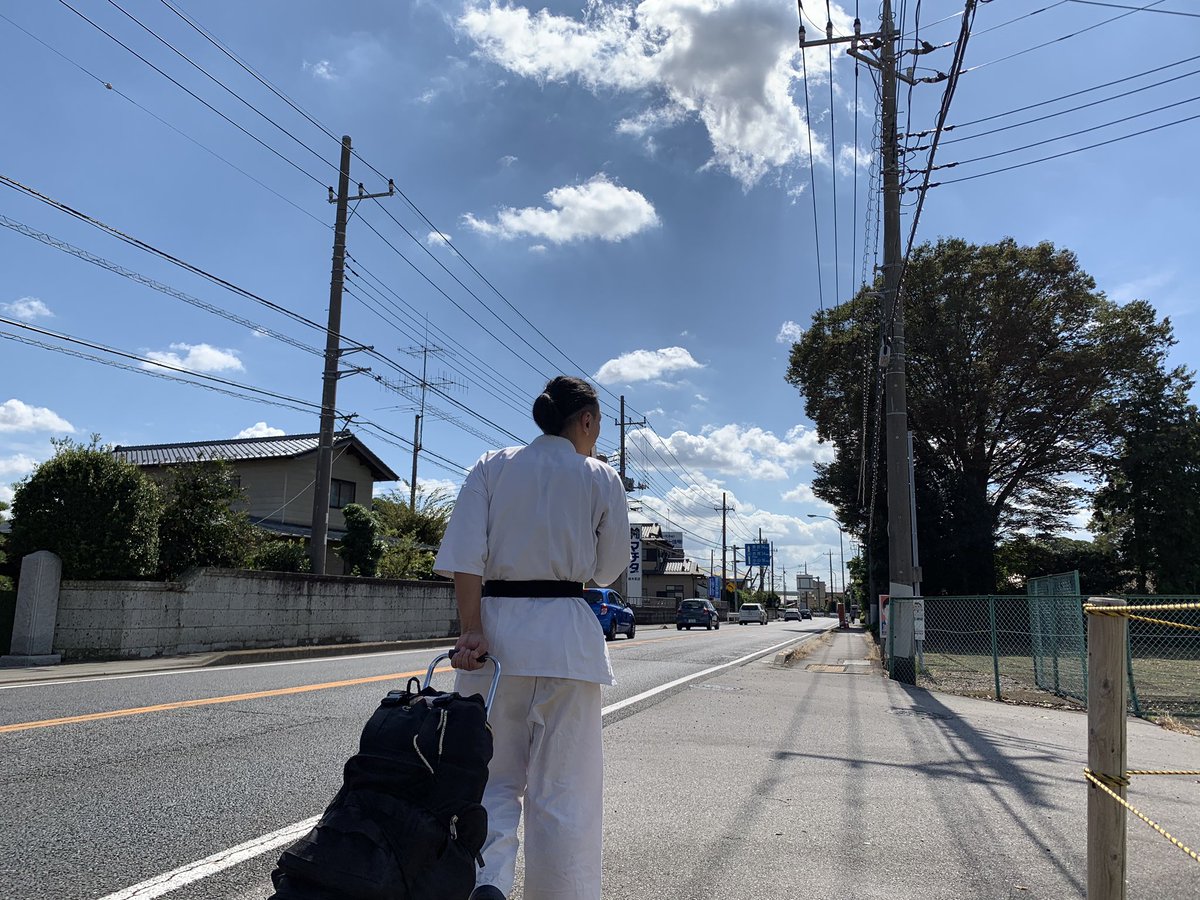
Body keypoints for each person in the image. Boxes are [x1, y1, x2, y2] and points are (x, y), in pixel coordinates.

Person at [434, 375, 631, 900]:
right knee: (564, 790)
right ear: (586, 420)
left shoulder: (491, 466)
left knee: (491, 778)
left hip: (494, 641)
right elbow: (609, 572)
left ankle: (486, 881)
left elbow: (463, 557)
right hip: (567, 637)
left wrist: (472, 630)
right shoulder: (600, 477)